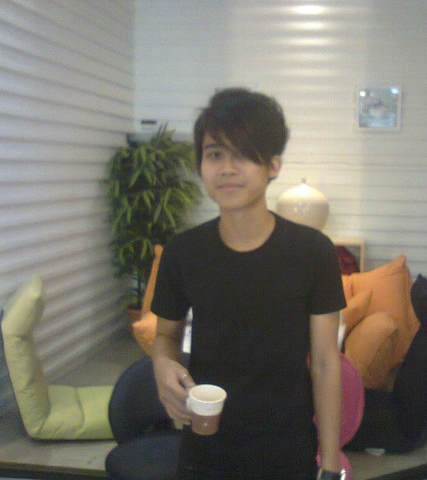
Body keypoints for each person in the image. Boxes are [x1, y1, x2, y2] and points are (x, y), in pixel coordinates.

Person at [150, 88, 346, 480]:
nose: (226, 168)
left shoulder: (313, 252)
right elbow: (165, 336)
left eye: (242, 154)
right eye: (214, 154)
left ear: (273, 164)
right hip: (205, 446)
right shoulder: (183, 251)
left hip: (286, 448)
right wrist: (161, 365)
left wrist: (330, 465)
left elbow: (326, 363)